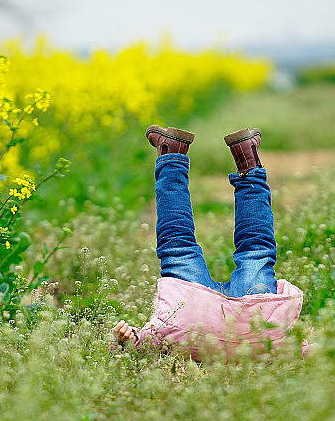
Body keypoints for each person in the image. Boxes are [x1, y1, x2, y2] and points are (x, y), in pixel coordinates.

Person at [111, 125, 304, 360]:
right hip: (194, 314)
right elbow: (138, 346)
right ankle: (171, 152)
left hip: (251, 318)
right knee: (178, 245)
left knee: (256, 249)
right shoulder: (278, 349)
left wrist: (124, 341)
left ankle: (248, 158)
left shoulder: (278, 347)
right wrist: (125, 340)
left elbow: (308, 351)